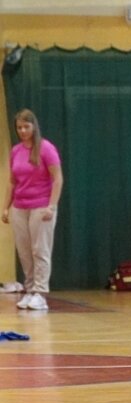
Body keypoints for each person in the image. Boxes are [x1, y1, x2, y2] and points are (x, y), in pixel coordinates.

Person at [1, 109, 64, 311]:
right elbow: (12, 182)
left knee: (40, 250)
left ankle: (40, 292)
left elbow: (57, 179)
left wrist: (51, 206)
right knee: (25, 252)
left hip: (41, 206)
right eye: (19, 127)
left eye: (26, 126)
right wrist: (5, 207)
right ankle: (29, 291)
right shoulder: (16, 151)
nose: (22, 131)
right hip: (20, 207)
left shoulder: (46, 149)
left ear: (34, 126)